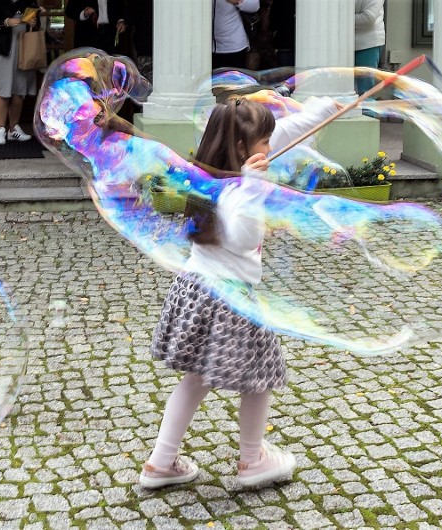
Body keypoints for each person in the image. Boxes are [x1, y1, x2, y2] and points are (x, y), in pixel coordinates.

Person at [138, 96, 338, 489]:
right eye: (263, 143)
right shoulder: (239, 191)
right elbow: (246, 238)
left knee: (195, 379)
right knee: (259, 379)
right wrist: (254, 189)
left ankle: (160, 462)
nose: (271, 148)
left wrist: (323, 109)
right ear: (244, 150)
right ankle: (252, 460)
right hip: (230, 300)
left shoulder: (209, 177)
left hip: (196, 287)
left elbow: (284, 135)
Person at [0, 0, 41, 146]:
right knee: (2, 91)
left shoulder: (30, 1)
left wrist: (34, 23)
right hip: (1, 49)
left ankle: (13, 128)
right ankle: (0, 129)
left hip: (23, 49)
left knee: (19, 91)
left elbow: (36, 22)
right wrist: (6, 21)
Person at [212, 0, 259, 70]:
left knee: (233, 80)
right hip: (208, 47)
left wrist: (238, 1)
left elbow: (255, 5)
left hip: (234, 47)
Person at [354, 0, 385, 95]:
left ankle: (366, 110)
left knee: (365, 92)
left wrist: (338, 18)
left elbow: (368, 18)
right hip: (344, 43)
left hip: (368, 44)